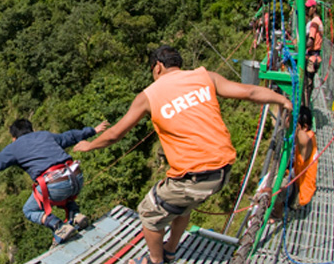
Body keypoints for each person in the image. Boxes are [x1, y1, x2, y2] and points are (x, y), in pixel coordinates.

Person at [74, 45, 292, 264]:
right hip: (223, 171)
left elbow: (114, 134)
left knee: (149, 212)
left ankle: (155, 260)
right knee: (180, 205)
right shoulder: (204, 76)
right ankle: (170, 249)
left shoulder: (149, 95)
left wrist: (88, 146)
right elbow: (250, 92)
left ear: (157, 67)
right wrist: (283, 100)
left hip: (196, 176)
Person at [0, 118, 109, 245]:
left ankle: (59, 226)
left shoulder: (15, 148)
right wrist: (92, 130)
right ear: (32, 129)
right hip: (76, 176)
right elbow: (70, 136)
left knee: (29, 209)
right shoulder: (45, 135)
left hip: (54, 183)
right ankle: (75, 215)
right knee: (60, 192)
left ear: (13, 137)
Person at [304, 0, 324, 105]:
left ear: (314, 8)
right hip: (317, 57)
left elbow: (311, 41)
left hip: (312, 58)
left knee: (307, 86)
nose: (308, 10)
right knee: (310, 85)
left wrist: (303, 48)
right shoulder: (320, 21)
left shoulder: (314, 23)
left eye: (309, 8)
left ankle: (306, 110)